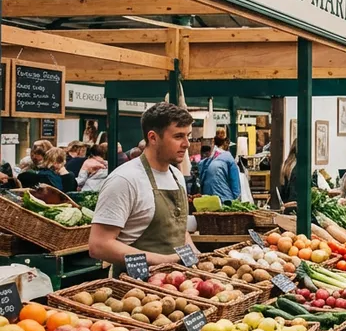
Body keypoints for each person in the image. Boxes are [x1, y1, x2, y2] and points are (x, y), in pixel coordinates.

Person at [88, 103, 195, 272]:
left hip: (178, 286)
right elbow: (99, 245)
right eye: (178, 136)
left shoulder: (177, 176)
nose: (187, 144)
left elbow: (179, 230)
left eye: (188, 136)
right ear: (153, 138)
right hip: (135, 289)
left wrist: (194, 256)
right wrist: (163, 260)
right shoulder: (125, 179)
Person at [199, 134, 241, 203]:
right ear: (226, 143)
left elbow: (202, 179)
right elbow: (235, 183)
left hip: (208, 199)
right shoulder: (229, 158)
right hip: (224, 199)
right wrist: (236, 201)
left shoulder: (208, 160)